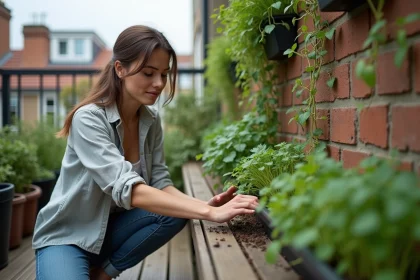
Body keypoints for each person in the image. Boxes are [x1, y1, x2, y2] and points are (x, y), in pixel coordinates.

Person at [32, 25, 258, 280]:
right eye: (149, 73)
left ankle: (104, 274)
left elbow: (160, 183)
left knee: (176, 215)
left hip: (112, 233)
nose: (159, 83)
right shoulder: (89, 119)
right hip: (68, 237)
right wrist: (209, 213)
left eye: (163, 74)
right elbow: (128, 188)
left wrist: (200, 205)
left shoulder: (150, 121)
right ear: (120, 69)